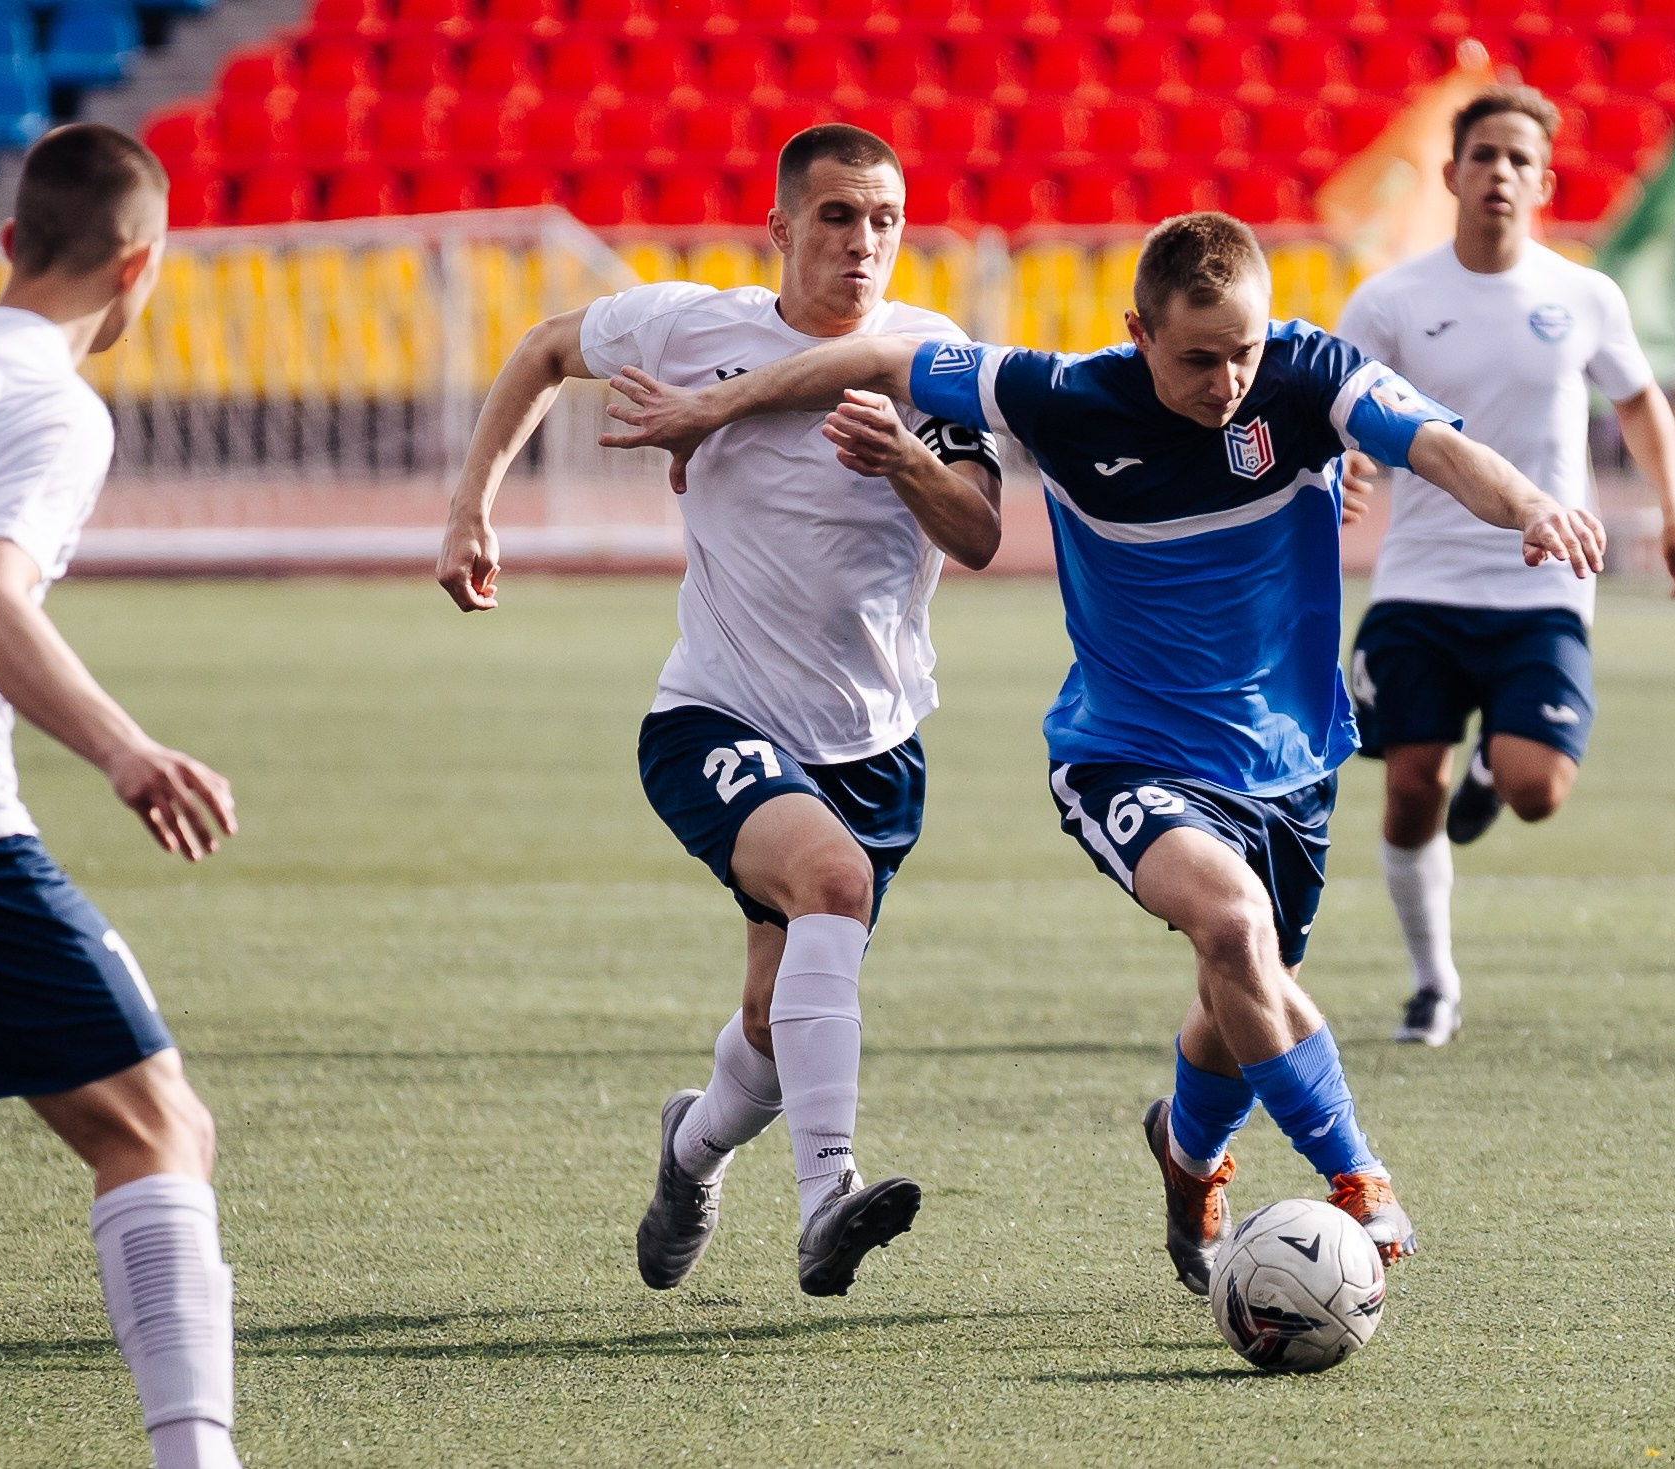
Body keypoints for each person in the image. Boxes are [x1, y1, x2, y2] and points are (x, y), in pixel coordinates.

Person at [597, 211, 1605, 1295]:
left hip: (1287, 759)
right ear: (1138, 330)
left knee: (1238, 997)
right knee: (1231, 925)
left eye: (1244, 353)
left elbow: (1439, 447)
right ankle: (1354, 1173)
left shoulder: (1310, 376)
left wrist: (1534, 504)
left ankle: (1188, 1153)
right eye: (1197, 357)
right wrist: (712, 403)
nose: (1227, 381)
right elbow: (882, 354)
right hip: (1124, 757)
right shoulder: (1065, 396)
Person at [435, 126, 1002, 1299]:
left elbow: (982, 534)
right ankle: (826, 1197)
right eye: (839, 216)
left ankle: (690, 1149)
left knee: (771, 1028)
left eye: (886, 220)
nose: (864, 243)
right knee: (833, 884)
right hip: (714, 715)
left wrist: (905, 460)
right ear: (782, 229)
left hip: (874, 742)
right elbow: (544, 348)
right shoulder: (693, 323)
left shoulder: (934, 356)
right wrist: (470, 507)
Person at [1334, 85, 1675, 1048]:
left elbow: (1637, 403)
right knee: (1408, 778)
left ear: (1542, 181)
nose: (1499, 173)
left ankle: (1492, 781)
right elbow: (1342, 415)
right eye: (1483, 157)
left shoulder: (1582, 296)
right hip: (1421, 580)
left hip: (1543, 580)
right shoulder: (1389, 299)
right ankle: (1433, 982)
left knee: (1538, 788)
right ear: (1451, 173)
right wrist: (1344, 475)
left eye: (1518, 160)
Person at [0, 125, 246, 1469]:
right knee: (154, 1125)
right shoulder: (50, 404)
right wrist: (128, 750)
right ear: (141, 265)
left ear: (12, 240)